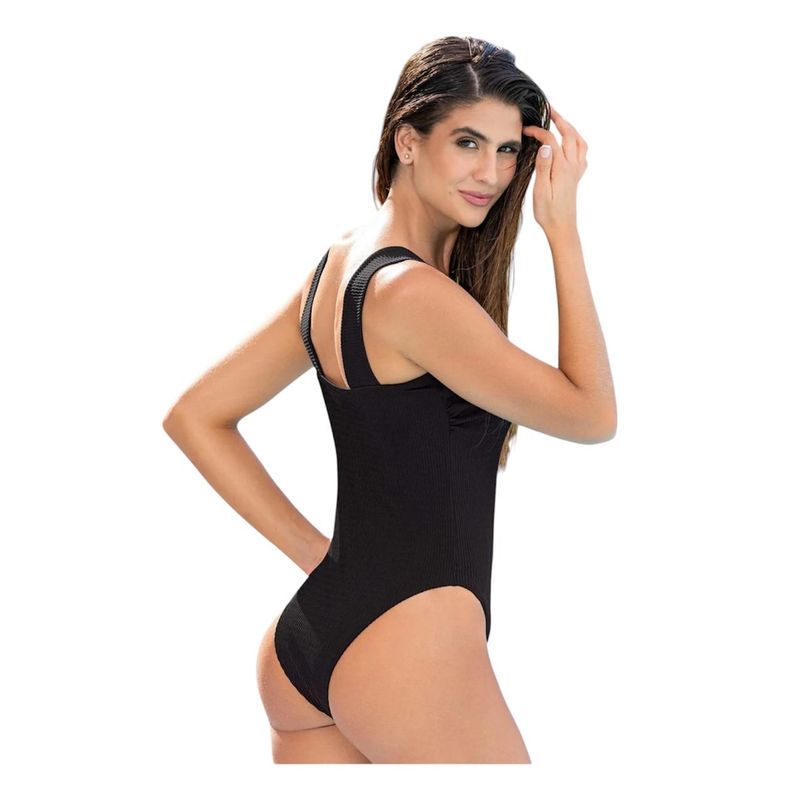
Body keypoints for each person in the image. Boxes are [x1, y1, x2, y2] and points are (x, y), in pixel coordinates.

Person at [162, 35, 616, 764]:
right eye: (467, 142)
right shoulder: (412, 295)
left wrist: (323, 562)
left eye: (508, 151)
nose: (491, 172)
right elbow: (593, 416)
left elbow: (194, 416)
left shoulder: (340, 266)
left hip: (312, 647)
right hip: (406, 655)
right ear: (408, 140)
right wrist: (562, 230)